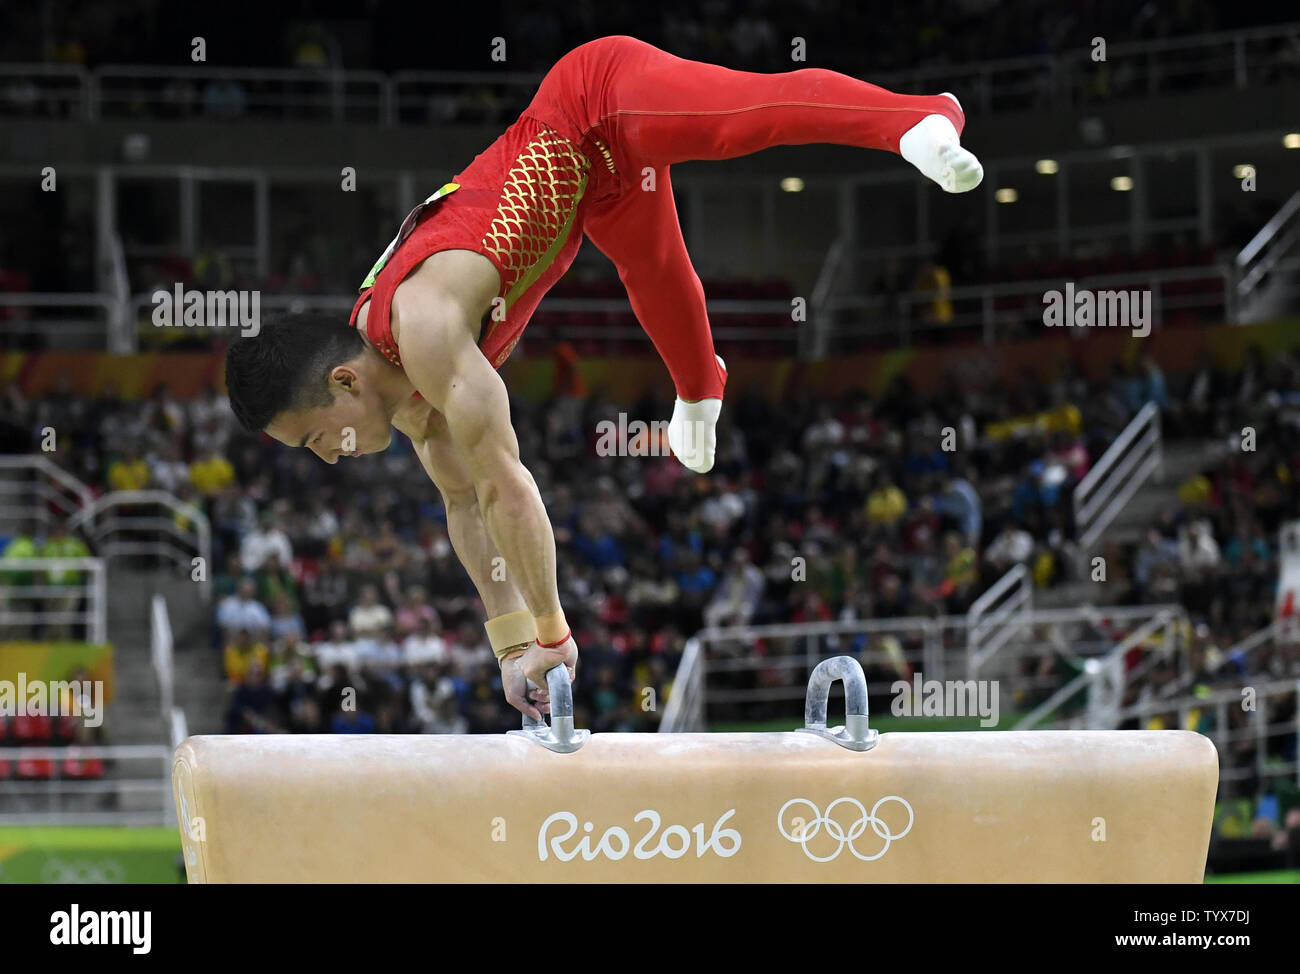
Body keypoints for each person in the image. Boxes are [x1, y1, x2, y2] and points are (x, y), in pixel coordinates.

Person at [224, 35, 983, 720]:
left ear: (348, 383)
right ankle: (699, 385)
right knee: (652, 273)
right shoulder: (410, 403)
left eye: (319, 439)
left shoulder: (421, 327)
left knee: (738, 119)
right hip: (594, 193)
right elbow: (465, 507)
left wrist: (554, 633)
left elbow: (505, 487)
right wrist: (512, 642)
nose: (329, 458)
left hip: (593, 107)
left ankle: (918, 115)